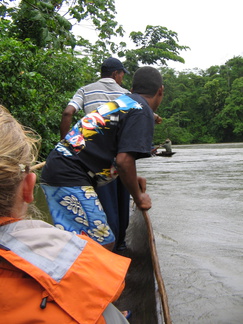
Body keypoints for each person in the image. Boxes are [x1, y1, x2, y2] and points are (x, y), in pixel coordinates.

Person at [0, 105, 131, 323]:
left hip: (83, 172)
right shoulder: (127, 109)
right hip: (84, 173)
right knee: (105, 238)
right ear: (28, 187)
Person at [41, 66, 164, 251]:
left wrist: (131, 179)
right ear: (160, 91)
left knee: (79, 239)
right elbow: (124, 161)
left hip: (59, 168)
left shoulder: (124, 103)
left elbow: (113, 154)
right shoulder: (141, 110)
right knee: (103, 242)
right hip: (69, 174)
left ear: (132, 90)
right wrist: (138, 198)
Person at [60, 57, 131, 251]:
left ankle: (109, 245)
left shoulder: (85, 90)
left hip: (94, 157)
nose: (123, 78)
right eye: (122, 74)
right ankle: (121, 244)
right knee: (122, 201)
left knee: (105, 203)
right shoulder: (125, 94)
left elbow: (67, 113)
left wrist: (68, 145)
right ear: (116, 74)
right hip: (122, 156)